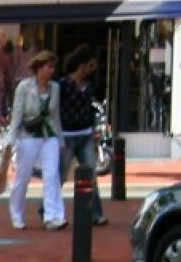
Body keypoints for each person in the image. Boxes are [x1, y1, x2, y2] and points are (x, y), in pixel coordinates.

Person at [7, 50, 64, 231]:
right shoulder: (24, 87)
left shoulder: (55, 88)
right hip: (28, 136)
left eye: (53, 67)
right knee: (23, 177)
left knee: (52, 175)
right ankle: (17, 215)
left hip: (50, 136)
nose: (52, 71)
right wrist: (10, 140)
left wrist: (61, 140)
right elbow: (17, 114)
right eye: (49, 67)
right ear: (39, 68)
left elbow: (56, 116)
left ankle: (53, 216)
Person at [57, 45, 107, 227]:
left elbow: (90, 108)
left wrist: (93, 128)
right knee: (60, 176)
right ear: (82, 65)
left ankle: (96, 214)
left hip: (85, 134)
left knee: (91, 174)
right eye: (91, 65)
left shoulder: (89, 87)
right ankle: (46, 209)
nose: (93, 69)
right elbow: (56, 110)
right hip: (68, 135)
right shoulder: (62, 85)